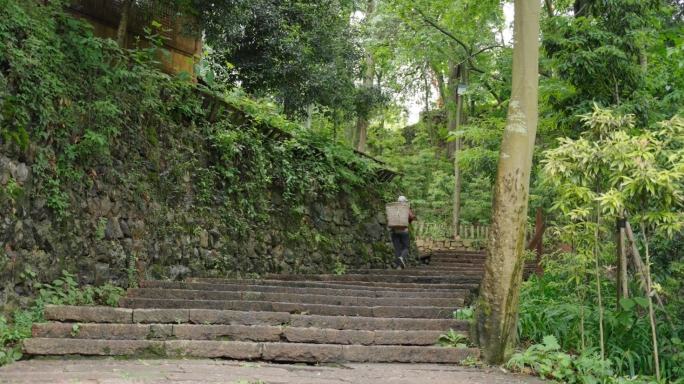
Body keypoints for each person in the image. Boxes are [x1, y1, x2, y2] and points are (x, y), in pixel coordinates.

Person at [389, 196, 415, 269]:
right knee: (406, 247)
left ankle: (398, 266)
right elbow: (411, 218)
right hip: (404, 232)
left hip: (394, 231)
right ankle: (402, 257)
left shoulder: (393, 208)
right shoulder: (406, 208)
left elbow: (388, 219)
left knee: (397, 249)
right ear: (405, 202)